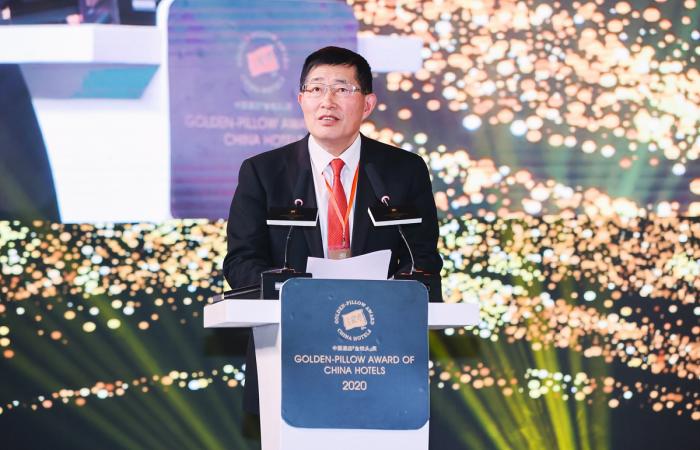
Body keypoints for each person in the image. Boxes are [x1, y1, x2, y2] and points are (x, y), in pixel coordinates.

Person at [223, 46, 442, 415]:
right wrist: (296, 294)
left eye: (342, 89)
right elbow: (241, 261)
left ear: (367, 104)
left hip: (380, 352)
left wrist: (390, 295)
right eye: (316, 89)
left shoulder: (404, 170)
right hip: (291, 346)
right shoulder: (263, 172)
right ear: (301, 100)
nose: (327, 101)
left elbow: (423, 257)